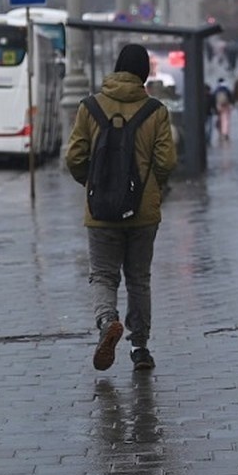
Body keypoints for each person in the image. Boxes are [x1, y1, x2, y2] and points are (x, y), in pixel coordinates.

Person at [65, 43, 178, 372]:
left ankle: (107, 322)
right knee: (139, 279)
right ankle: (140, 348)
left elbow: (74, 158)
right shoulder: (155, 111)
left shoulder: (90, 107)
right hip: (143, 214)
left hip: (100, 212)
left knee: (103, 275)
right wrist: (151, 187)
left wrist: (92, 184)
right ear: (143, 74)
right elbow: (166, 161)